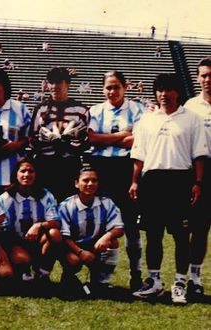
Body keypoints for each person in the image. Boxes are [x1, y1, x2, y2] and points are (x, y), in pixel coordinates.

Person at [130, 73, 208, 304]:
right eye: (160, 90)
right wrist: (135, 181)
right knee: (153, 235)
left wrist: (197, 182)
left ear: (178, 93)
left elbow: (199, 155)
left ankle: (180, 284)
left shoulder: (191, 118)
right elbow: (139, 155)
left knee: (182, 236)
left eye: (169, 90)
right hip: (152, 181)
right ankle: (154, 281)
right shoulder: (147, 120)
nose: (164, 94)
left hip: (180, 181)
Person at [86, 70, 145, 290]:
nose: (112, 91)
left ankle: (136, 273)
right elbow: (91, 138)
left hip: (126, 170)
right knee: (102, 225)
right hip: (101, 169)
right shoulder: (96, 110)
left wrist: (106, 140)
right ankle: (101, 278)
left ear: (125, 87)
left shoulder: (137, 109)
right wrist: (122, 135)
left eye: (116, 87)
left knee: (130, 224)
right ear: (103, 89)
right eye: (108, 87)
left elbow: (137, 141)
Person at [58, 167, 124, 297]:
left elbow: (119, 228)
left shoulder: (106, 203)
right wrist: (80, 252)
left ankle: (101, 282)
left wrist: (106, 237)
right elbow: (64, 236)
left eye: (94, 180)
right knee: (73, 261)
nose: (90, 184)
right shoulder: (66, 205)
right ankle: (69, 277)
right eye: (86, 180)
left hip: (95, 246)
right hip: (73, 247)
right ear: (76, 183)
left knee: (113, 242)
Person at [0, 158, 62, 286]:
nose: (27, 175)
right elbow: (2, 231)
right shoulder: (6, 198)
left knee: (54, 234)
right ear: (16, 174)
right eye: (23, 171)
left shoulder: (45, 195)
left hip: (39, 242)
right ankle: (22, 272)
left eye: (31, 171)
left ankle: (43, 274)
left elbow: (56, 222)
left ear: (36, 174)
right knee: (22, 260)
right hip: (16, 242)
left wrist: (38, 225)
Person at [29, 67, 89, 200]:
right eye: (51, 82)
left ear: (68, 84)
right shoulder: (40, 109)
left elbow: (86, 142)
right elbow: (31, 139)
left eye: (58, 82)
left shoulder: (81, 110)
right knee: (45, 203)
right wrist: (46, 140)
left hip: (69, 165)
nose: (54, 86)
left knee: (69, 203)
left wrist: (71, 143)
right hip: (45, 164)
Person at [183, 56, 211, 298]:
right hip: (199, 170)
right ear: (198, 77)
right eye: (204, 75)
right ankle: (194, 278)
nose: (208, 80)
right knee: (199, 228)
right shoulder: (190, 106)